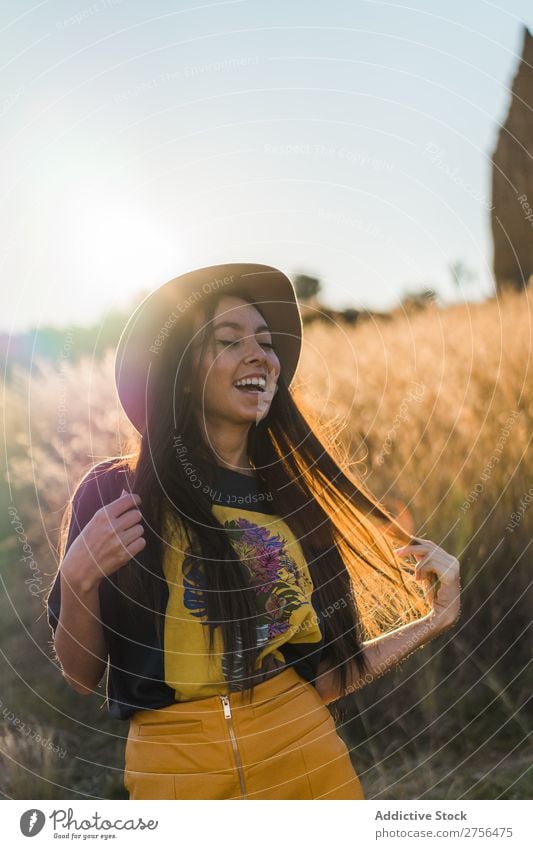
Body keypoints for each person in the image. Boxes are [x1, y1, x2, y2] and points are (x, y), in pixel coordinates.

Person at [46, 262, 461, 800]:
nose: (260, 355)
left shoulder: (293, 503)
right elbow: (81, 677)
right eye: (228, 339)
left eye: (266, 343)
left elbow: (328, 677)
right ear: (183, 368)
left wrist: (432, 622)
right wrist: (78, 578)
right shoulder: (115, 495)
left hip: (308, 764)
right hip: (173, 776)